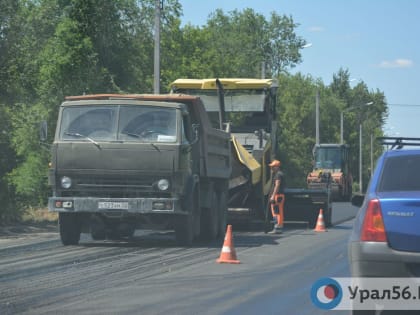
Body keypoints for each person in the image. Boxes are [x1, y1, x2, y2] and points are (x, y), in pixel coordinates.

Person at [268, 159, 286, 234]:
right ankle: (279, 226)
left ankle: (277, 227)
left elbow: (277, 185)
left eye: (273, 167)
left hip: (277, 196)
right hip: (279, 195)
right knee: (279, 211)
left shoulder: (278, 175)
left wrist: (273, 196)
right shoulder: (280, 174)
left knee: (276, 211)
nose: (271, 168)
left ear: (277, 167)